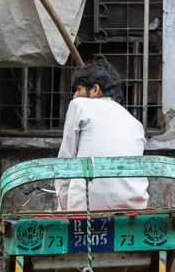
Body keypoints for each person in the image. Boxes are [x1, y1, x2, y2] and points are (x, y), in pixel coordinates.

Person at [56, 61, 147, 211]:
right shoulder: (135, 123)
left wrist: (63, 209)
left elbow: (66, 161)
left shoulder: (79, 105)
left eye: (78, 89)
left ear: (95, 89)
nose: (74, 96)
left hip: (86, 208)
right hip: (133, 206)